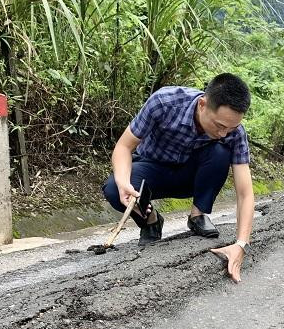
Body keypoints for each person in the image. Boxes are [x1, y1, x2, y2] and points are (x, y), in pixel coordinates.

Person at [102, 73, 254, 282]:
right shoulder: (164, 102)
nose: (224, 133)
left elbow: (245, 193)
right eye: (219, 125)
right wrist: (123, 182)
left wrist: (241, 244)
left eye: (232, 127)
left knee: (221, 151)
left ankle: (197, 215)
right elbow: (123, 146)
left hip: (192, 176)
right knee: (112, 188)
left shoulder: (233, 133)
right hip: (152, 169)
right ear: (202, 104)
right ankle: (151, 221)